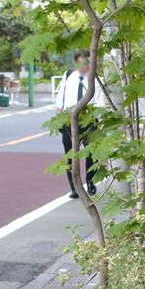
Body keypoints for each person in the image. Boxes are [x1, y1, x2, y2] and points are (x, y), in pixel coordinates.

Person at [55, 49, 106, 199]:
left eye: (87, 63)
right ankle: (74, 187)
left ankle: (90, 181)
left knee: (91, 153)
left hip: (89, 120)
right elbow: (60, 99)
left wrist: (99, 122)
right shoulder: (68, 76)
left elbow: (101, 103)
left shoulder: (97, 80)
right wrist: (58, 117)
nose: (84, 66)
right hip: (68, 120)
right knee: (70, 155)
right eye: (81, 63)